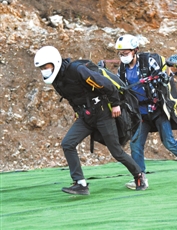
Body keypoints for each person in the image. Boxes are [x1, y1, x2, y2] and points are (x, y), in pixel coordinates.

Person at [33, 46, 148, 195]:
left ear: (55, 62)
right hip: (86, 116)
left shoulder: (77, 71)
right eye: (41, 68)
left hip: (102, 114)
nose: (44, 70)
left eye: (45, 66)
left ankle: (139, 176)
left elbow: (108, 86)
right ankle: (80, 183)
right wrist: (77, 112)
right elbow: (72, 98)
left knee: (116, 151)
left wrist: (115, 105)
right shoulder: (56, 80)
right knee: (68, 144)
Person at [114, 34, 177, 189]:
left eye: (125, 53)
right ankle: (140, 178)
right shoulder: (122, 69)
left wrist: (164, 77)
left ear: (135, 50)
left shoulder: (148, 62)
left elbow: (165, 74)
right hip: (140, 113)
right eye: (120, 54)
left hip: (157, 109)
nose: (123, 57)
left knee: (168, 142)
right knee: (135, 144)